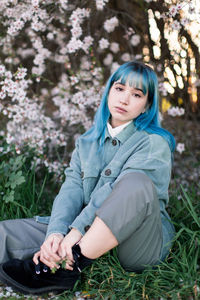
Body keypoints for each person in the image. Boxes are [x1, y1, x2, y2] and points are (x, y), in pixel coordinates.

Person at [0, 61, 175, 295]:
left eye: (136, 94)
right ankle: (61, 251)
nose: (124, 99)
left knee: (136, 183)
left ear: (147, 105)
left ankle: (66, 268)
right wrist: (56, 232)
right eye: (120, 89)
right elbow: (71, 188)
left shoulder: (153, 143)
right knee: (5, 234)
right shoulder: (87, 142)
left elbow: (115, 191)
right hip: (83, 232)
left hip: (137, 245)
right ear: (109, 91)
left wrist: (76, 232)